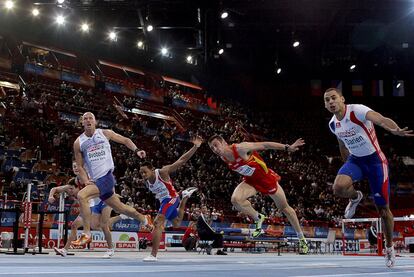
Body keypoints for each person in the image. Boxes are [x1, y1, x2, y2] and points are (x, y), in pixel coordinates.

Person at [324, 87, 413, 267]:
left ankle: (389, 248)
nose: (331, 102)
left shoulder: (357, 110)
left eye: (333, 98)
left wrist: (394, 129)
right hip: (355, 161)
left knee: (383, 209)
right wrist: (347, 167)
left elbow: (380, 119)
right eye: (327, 100)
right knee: (338, 187)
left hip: (375, 162)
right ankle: (356, 197)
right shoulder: (333, 124)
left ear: (342, 99)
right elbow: (342, 144)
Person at [207, 135, 309, 254]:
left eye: (216, 145)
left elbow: (265, 145)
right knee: (235, 199)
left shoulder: (241, 148)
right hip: (251, 182)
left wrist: (288, 147)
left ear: (223, 142)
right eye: (212, 148)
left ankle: (302, 239)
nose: (214, 149)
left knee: (285, 209)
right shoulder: (223, 157)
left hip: (266, 180)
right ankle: (258, 217)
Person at [72, 112, 150, 246]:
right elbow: (79, 166)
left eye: (91, 118)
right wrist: (85, 180)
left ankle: (86, 234)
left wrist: (137, 150)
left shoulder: (105, 133)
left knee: (81, 195)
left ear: (95, 121)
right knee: (121, 208)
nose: (88, 120)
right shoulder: (78, 143)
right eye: (85, 119)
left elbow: (125, 140)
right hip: (96, 181)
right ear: (82, 122)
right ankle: (144, 219)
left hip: (107, 177)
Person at [139, 136, 202, 262]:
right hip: (164, 201)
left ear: (152, 170)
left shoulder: (162, 172)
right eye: (141, 173)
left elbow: (181, 160)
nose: (143, 175)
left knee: (157, 223)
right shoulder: (146, 182)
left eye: (145, 172)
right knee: (177, 223)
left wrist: (195, 147)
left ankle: (153, 255)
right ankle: (184, 197)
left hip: (171, 198)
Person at [50, 162, 123, 258]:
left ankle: (110, 248)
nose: (75, 168)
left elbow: (106, 183)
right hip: (91, 205)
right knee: (75, 225)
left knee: (103, 225)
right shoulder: (75, 182)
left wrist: (113, 193)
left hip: (104, 201)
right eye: (73, 166)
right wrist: (51, 196)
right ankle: (65, 250)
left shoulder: (91, 176)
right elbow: (56, 188)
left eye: (77, 166)